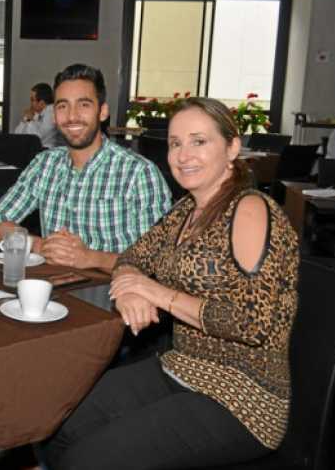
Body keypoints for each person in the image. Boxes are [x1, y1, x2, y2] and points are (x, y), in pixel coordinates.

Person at [40, 97, 300, 469]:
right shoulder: (185, 211)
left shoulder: (250, 209)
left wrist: (157, 293)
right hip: (180, 368)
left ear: (232, 147)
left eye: (199, 141)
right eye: (175, 143)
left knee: (86, 460)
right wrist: (131, 285)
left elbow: (250, 322)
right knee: (58, 423)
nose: (183, 154)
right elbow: (132, 256)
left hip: (241, 398)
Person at [0, 64, 170, 273]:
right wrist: (39, 245)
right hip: (52, 293)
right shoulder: (45, 165)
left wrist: (91, 258)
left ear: (103, 112)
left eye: (84, 105)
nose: (72, 116)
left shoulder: (139, 173)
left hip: (113, 295)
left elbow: (157, 261)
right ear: (54, 115)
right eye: (63, 106)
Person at [14, 82, 61, 148]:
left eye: (32, 100)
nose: (30, 103)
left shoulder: (52, 113)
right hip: (32, 150)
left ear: (41, 103)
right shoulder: (37, 112)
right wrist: (25, 119)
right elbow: (16, 135)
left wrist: (30, 120)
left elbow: (37, 138)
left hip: (46, 151)